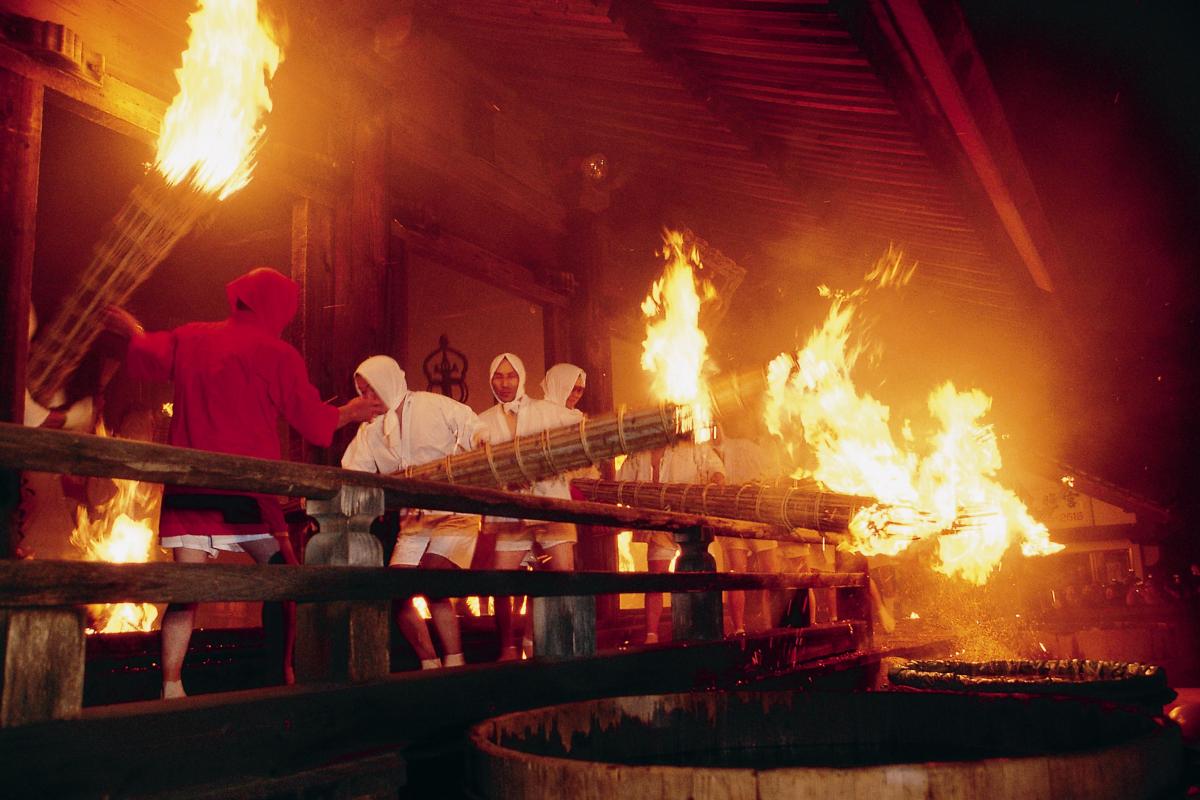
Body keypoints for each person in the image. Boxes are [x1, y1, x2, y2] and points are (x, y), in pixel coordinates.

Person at [108, 267, 384, 699]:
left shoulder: (192, 336)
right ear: (277, 308)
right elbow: (312, 423)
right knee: (283, 582)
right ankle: (281, 676)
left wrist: (133, 329)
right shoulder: (277, 354)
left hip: (191, 488)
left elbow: (148, 351)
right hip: (246, 492)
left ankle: (171, 686)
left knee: (185, 592)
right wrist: (351, 411)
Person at [341, 355, 483, 670]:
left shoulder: (434, 405)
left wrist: (481, 446)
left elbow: (474, 428)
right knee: (396, 592)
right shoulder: (371, 428)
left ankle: (455, 663)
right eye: (362, 392)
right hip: (414, 520)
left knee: (434, 582)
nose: (368, 399)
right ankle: (430, 664)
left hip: (454, 511)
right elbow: (353, 469)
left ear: (388, 382)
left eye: (372, 390)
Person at [478, 353, 583, 660]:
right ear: (491, 381)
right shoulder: (483, 421)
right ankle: (507, 648)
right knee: (502, 580)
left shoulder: (545, 410)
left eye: (511, 375)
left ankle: (542, 641)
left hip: (551, 506)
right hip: (510, 512)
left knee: (561, 574)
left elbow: (578, 427)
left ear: (521, 377)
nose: (505, 382)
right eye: (499, 376)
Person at [618, 440, 725, 643]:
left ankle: (697, 629)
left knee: (691, 577)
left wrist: (714, 486)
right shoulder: (638, 453)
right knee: (656, 578)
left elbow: (716, 469)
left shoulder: (690, 448)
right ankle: (652, 635)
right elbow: (621, 482)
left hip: (688, 520)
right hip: (657, 521)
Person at [712, 426, 784, 635]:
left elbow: (772, 476)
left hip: (756, 516)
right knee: (745, 573)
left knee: (760, 573)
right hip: (736, 518)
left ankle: (758, 626)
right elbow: (773, 475)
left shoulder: (747, 447)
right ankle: (746, 628)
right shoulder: (710, 451)